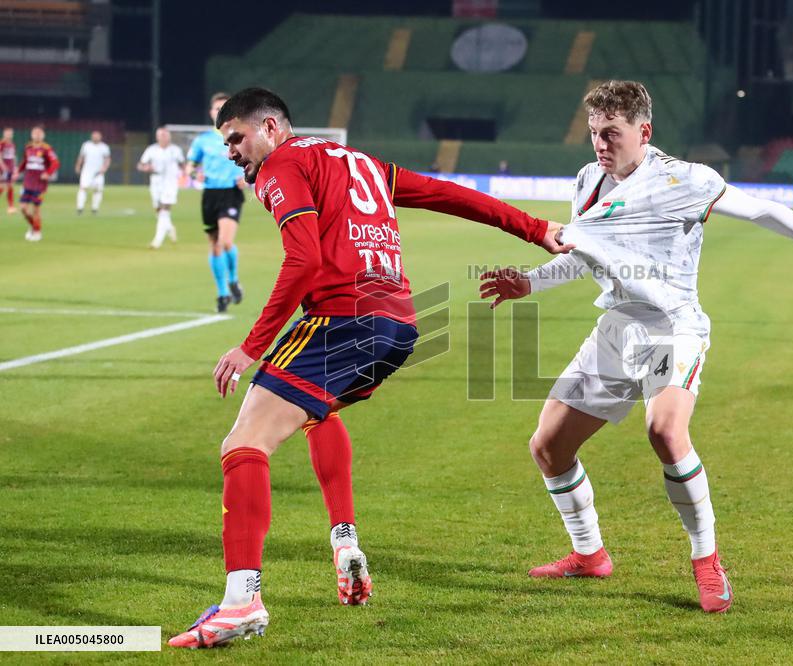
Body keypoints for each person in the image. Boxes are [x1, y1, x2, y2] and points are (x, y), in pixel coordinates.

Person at [167, 87, 573, 649]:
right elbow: (446, 193)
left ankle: (241, 602)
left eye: (237, 137)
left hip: (343, 320)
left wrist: (252, 345)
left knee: (243, 445)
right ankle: (345, 541)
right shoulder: (361, 163)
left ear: (270, 127)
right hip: (399, 327)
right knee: (313, 412)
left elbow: (305, 258)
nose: (232, 150)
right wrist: (534, 228)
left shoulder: (284, 164)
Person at [478, 80, 793, 614]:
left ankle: (706, 560)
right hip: (619, 326)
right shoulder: (586, 180)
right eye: (594, 134)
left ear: (643, 132)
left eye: (612, 134)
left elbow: (761, 210)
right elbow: (586, 251)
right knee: (548, 447)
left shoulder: (684, 180)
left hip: (673, 325)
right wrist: (530, 283)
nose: (601, 145)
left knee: (666, 431)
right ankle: (589, 554)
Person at [186, 92, 248, 312]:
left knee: (224, 242)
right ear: (211, 113)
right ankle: (222, 293)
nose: (219, 112)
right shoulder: (203, 140)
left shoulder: (242, 136)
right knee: (214, 246)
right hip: (210, 195)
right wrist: (194, 175)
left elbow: (257, 161)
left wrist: (247, 178)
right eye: (216, 109)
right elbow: (190, 166)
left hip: (231, 192)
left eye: (224, 108)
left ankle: (233, 279)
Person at [137, 127, 185, 249]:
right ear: (157, 137)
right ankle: (170, 228)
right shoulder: (151, 150)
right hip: (155, 182)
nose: (164, 137)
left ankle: (157, 241)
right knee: (159, 211)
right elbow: (141, 164)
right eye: (161, 135)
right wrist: (145, 168)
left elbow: (182, 164)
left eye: (165, 135)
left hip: (170, 182)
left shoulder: (175, 150)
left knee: (164, 209)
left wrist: (184, 173)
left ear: (169, 137)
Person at [17, 126, 59, 242]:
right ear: (31, 135)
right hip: (27, 183)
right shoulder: (28, 147)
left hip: (40, 185)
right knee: (23, 209)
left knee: (36, 210)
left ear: (43, 136)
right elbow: (25, 162)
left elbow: (55, 163)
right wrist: (18, 171)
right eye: (35, 133)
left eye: (39, 133)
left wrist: (47, 173)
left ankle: (37, 232)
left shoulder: (47, 149)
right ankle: (33, 226)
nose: (37, 135)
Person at [75, 130, 111, 215]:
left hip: (98, 172)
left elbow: (107, 159)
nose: (95, 137)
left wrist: (104, 168)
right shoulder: (86, 145)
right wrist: (78, 166)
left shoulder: (104, 147)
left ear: (100, 137)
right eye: (94, 136)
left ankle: (95, 209)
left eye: (97, 136)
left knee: (98, 190)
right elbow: (81, 157)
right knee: (83, 188)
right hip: (87, 171)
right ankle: (80, 208)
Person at [0, 127, 16, 214]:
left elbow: (12, 157)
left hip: (10, 168)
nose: (9, 135)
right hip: (3, 168)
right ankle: (10, 206)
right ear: (4, 134)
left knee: (10, 186)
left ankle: (11, 206)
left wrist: (14, 167)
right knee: (2, 186)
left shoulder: (12, 144)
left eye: (10, 133)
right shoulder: (2, 143)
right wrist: (3, 166)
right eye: (7, 133)